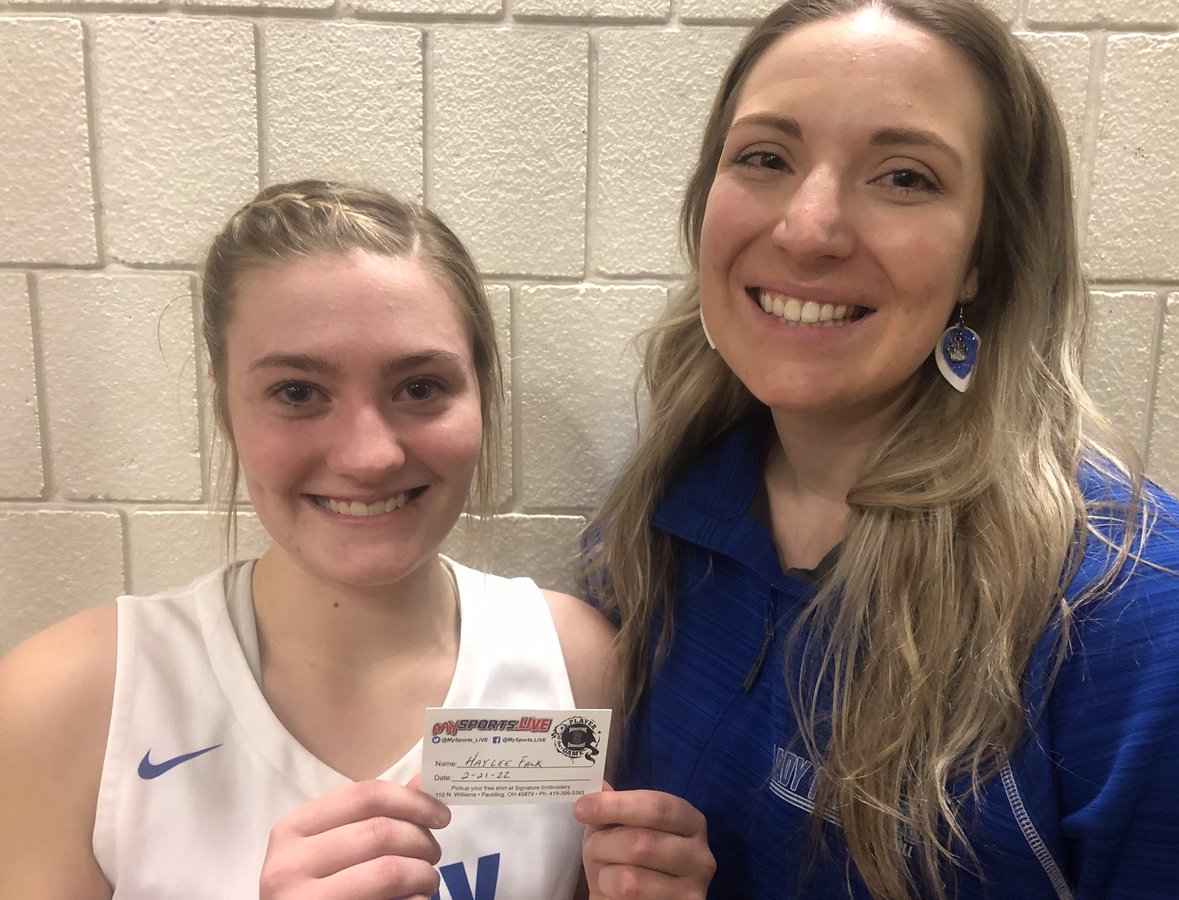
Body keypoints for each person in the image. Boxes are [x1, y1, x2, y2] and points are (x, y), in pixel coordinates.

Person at [582, 1, 1179, 898]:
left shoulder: (1140, 617)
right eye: (765, 158)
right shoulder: (653, 525)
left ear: (985, 256)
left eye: (905, 177)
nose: (808, 228)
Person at [0, 180, 712, 899]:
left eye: (420, 387)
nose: (369, 456)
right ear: (224, 403)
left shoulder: (578, 663)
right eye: (297, 393)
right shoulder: (67, 701)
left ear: (481, 395)